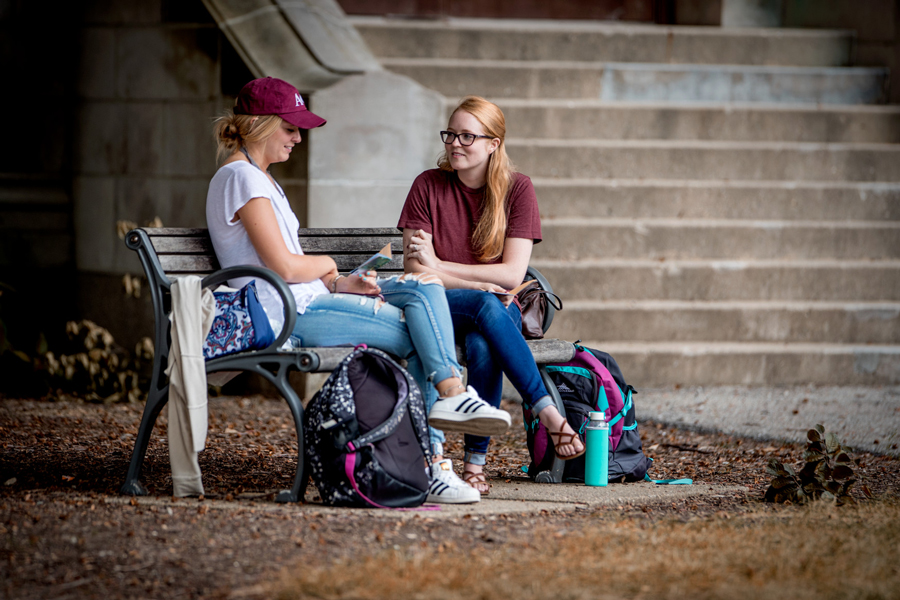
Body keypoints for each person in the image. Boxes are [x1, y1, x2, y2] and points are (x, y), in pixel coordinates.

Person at [205, 78, 512, 504]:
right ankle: (439, 446)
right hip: (288, 314)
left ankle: (447, 413)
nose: (298, 137)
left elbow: (289, 267)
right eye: (290, 128)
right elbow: (283, 267)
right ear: (260, 124)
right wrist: (331, 266)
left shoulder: (261, 179)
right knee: (420, 334)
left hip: (310, 298)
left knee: (423, 287)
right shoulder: (240, 177)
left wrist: (341, 282)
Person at [398, 96, 585, 495]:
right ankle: (546, 411)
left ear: (493, 143)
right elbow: (416, 272)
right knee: (485, 302)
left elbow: (512, 274)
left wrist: (442, 267)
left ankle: (473, 467)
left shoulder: (518, 190)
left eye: (468, 135)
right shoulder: (427, 185)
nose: (455, 143)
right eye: (451, 134)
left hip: (498, 310)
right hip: (437, 305)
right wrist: (473, 284)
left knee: (483, 343)